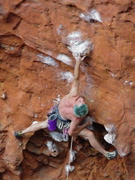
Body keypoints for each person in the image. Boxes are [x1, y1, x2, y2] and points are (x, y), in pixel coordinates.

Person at [14, 56, 117, 160]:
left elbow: (76, 78)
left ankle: (20, 133)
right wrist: (86, 124)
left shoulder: (73, 96)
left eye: (82, 102)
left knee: (42, 124)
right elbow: (70, 133)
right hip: (62, 124)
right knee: (90, 134)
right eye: (81, 101)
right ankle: (106, 154)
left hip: (56, 113)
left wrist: (78, 61)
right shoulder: (76, 118)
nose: (82, 100)